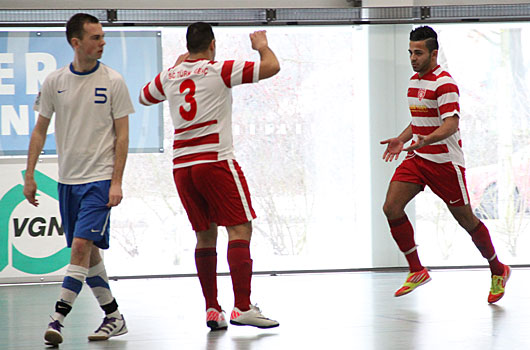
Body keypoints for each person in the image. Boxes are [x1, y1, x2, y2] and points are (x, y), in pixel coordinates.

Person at [139, 22, 280, 330]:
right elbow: (272, 67)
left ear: (187, 46)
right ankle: (242, 306)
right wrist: (262, 46)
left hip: (182, 168)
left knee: (205, 234)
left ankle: (212, 309)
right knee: (240, 228)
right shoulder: (218, 70)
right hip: (214, 160)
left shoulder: (170, 76)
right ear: (212, 45)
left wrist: (176, 67)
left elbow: (144, 96)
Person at [24, 13, 135, 346]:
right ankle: (114, 316)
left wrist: (116, 182)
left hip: (99, 181)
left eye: (103, 37)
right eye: (95, 38)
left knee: (80, 248)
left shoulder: (113, 80)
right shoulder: (55, 82)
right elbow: (40, 130)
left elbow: (123, 137)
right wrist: (29, 175)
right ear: (76, 43)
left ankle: (57, 320)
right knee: (90, 256)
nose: (102, 43)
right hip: (67, 182)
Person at [380, 26, 511, 303]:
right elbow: (419, 121)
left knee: (466, 220)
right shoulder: (415, 81)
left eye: (418, 52)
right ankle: (416, 270)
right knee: (391, 208)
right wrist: (401, 139)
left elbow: (451, 124)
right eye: (410, 52)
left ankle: (498, 269)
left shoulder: (445, 83)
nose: (413, 58)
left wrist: (425, 140)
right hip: (418, 158)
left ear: (433, 53)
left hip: (444, 164)